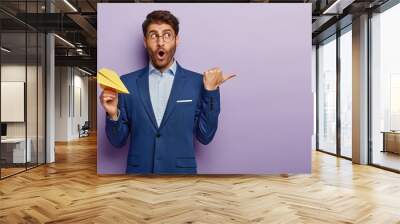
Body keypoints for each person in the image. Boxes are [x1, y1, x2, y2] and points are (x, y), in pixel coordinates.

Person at [100, 10, 235, 174]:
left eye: (167, 35)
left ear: (177, 40)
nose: (160, 42)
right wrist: (113, 114)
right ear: (145, 41)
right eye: (153, 35)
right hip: (138, 177)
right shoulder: (126, 83)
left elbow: (205, 136)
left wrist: (211, 91)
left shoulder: (197, 83)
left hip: (182, 179)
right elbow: (117, 141)